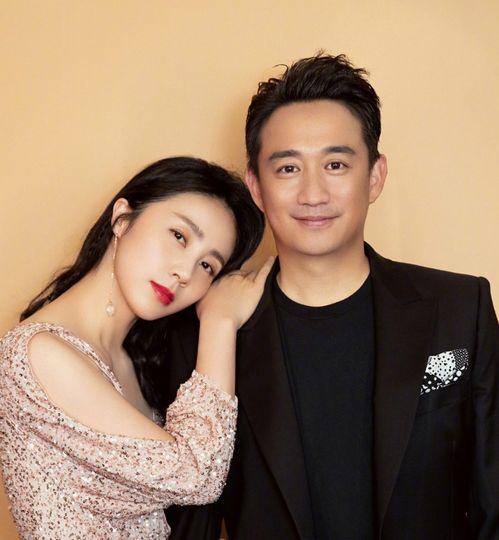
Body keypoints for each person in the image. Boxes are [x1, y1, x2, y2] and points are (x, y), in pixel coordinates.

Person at [165, 55, 499, 539]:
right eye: (287, 168)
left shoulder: (460, 309)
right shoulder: (206, 333)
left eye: (336, 164)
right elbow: (190, 522)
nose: (313, 194)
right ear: (256, 186)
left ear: (375, 176)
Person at [0, 156, 273, 539]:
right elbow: (196, 475)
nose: (184, 273)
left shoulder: (139, 360)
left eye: (207, 266)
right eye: (179, 236)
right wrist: (220, 321)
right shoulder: (37, 353)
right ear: (122, 219)